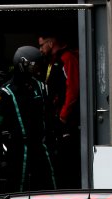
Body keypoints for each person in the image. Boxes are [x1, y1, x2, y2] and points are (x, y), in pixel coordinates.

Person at [0, 46, 56, 193]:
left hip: (41, 146)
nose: (37, 69)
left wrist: (53, 140)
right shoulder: (4, 92)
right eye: (34, 65)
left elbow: (50, 116)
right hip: (18, 149)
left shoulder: (40, 87)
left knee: (49, 185)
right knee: (18, 188)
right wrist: (1, 154)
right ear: (23, 64)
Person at [38, 30, 80, 187]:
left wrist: (63, 116)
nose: (40, 49)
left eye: (41, 45)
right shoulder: (52, 60)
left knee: (67, 161)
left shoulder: (67, 58)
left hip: (67, 122)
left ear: (50, 43)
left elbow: (73, 89)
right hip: (55, 121)